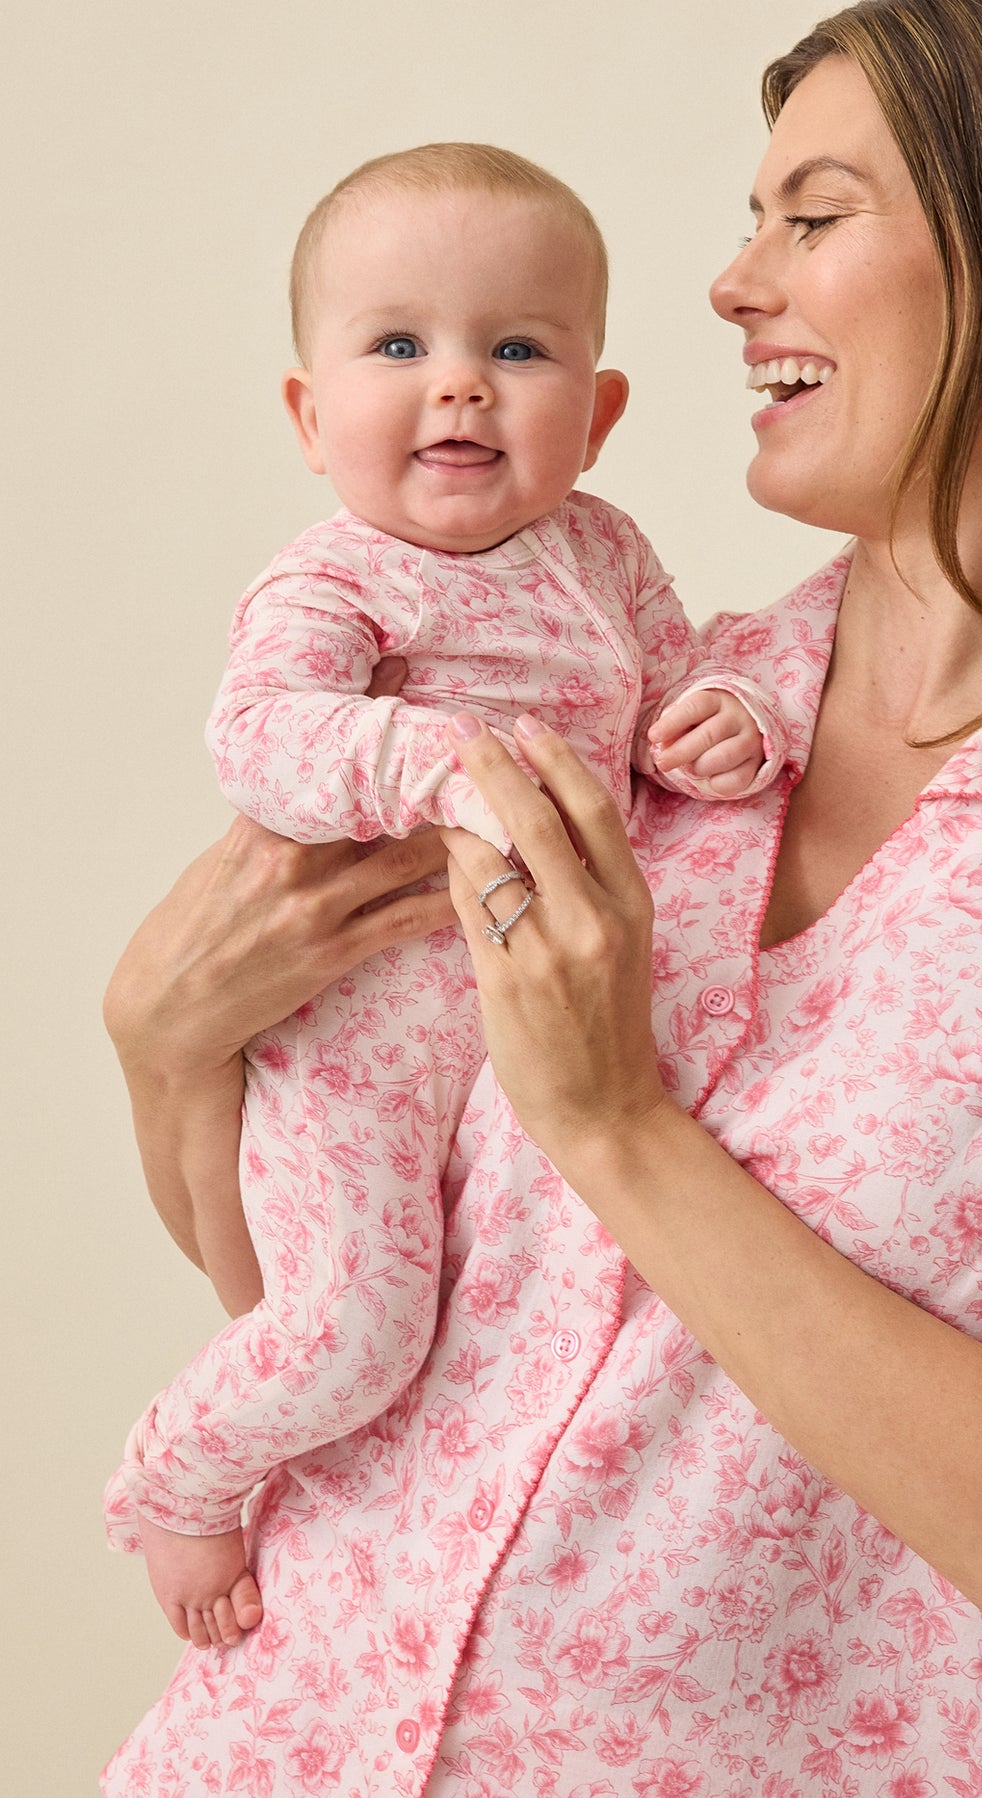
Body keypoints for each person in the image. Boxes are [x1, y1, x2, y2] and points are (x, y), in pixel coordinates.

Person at [99, 3, 982, 1798]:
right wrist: (164, 1052)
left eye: (813, 213)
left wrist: (616, 1120)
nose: (728, 282)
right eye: (751, 215)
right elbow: (339, 1295)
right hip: (286, 1748)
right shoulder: (640, 726)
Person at [102, 142, 785, 1652]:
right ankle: (178, 1476)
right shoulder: (336, 579)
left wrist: (713, 718)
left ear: (597, 417)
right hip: (349, 1050)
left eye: (517, 347)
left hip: (519, 1057)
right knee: (349, 1332)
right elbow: (260, 735)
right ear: (309, 412)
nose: (460, 384)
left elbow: (667, 691)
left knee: (496, 1338)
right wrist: (432, 760)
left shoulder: (603, 552)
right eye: (399, 345)